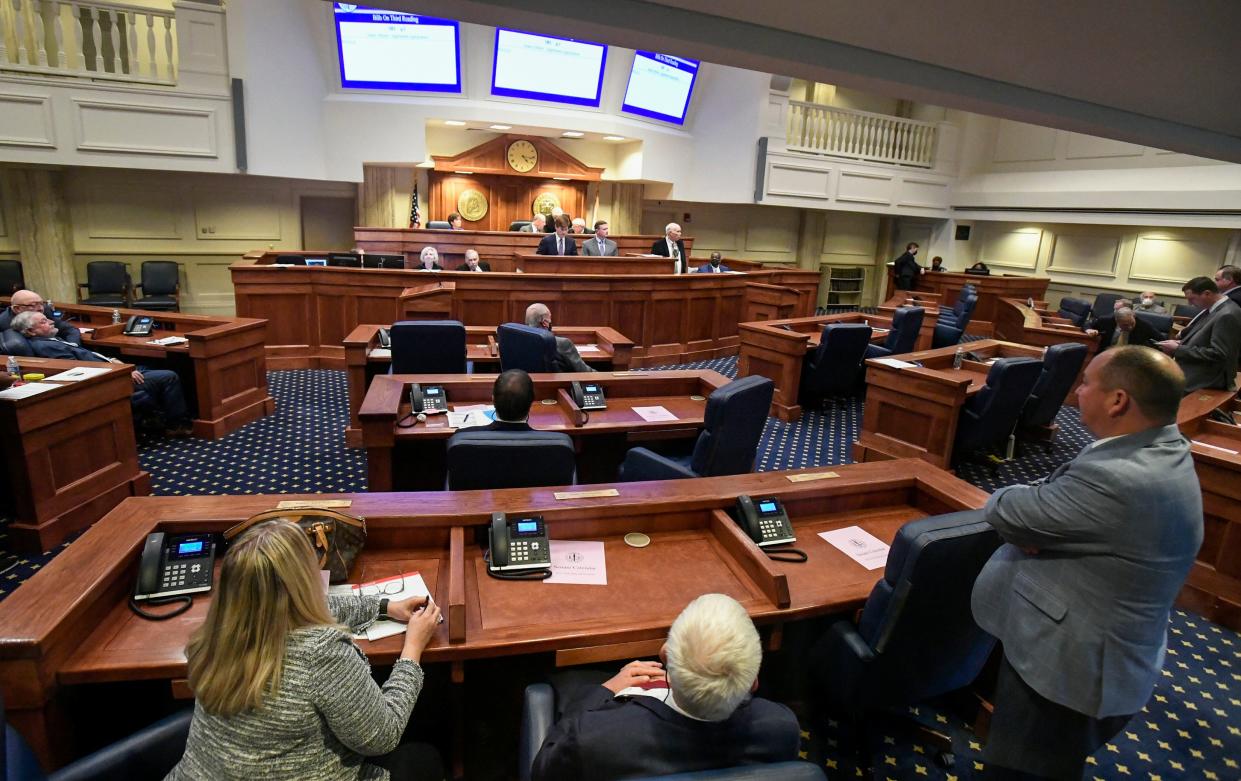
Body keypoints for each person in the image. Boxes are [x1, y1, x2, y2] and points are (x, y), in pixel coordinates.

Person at [971, 346, 1202, 781]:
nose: (1077, 392)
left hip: (1071, 668)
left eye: (1087, 384)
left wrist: (1026, 507)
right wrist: (1045, 510)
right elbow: (1050, 496)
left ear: (1118, 401)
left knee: (1022, 772)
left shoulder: (1120, 477)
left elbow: (1005, 509)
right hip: (1097, 642)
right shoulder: (1158, 449)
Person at [166, 519, 444, 781]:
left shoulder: (217, 634)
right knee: (423, 759)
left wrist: (384, 606)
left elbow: (307, 608)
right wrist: (413, 649)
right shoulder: (320, 654)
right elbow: (382, 736)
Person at [530, 593, 800, 781]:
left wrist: (603, 691)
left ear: (664, 656)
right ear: (753, 682)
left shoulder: (592, 738)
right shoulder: (782, 727)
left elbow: (543, 771)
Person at [10, 310, 193, 437]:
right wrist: (120, 371)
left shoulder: (50, 339)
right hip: (110, 379)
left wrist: (114, 362)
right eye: (43, 321)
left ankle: (155, 418)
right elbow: (78, 370)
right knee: (169, 375)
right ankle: (175, 425)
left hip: (112, 368)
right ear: (30, 331)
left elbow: (73, 337)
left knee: (153, 365)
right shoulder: (46, 346)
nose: (50, 321)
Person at [1154, 276, 1241, 391]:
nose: (1190, 304)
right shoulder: (1216, 309)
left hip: (1206, 379)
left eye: (1192, 299)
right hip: (1197, 371)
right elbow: (1207, 339)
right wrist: (1181, 342)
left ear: (1207, 293)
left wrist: (1178, 349)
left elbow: (1219, 353)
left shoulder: (1226, 314)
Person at [525, 303, 593, 373]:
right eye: (550, 318)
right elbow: (584, 371)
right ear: (545, 323)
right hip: (557, 383)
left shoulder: (520, 340)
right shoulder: (563, 343)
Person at [0, 289, 80, 344]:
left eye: (41, 303)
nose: (40, 308)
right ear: (17, 309)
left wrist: (73, 345)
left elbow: (69, 329)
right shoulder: (5, 324)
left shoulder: (45, 310)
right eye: (33, 305)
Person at [1086, 306, 1160, 351]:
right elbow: (1087, 325)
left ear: (1134, 316)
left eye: (1132, 323)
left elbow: (1161, 340)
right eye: (1125, 325)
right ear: (1117, 321)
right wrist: (1089, 329)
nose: (1130, 327)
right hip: (1106, 353)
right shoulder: (1106, 321)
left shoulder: (1144, 325)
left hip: (1130, 358)